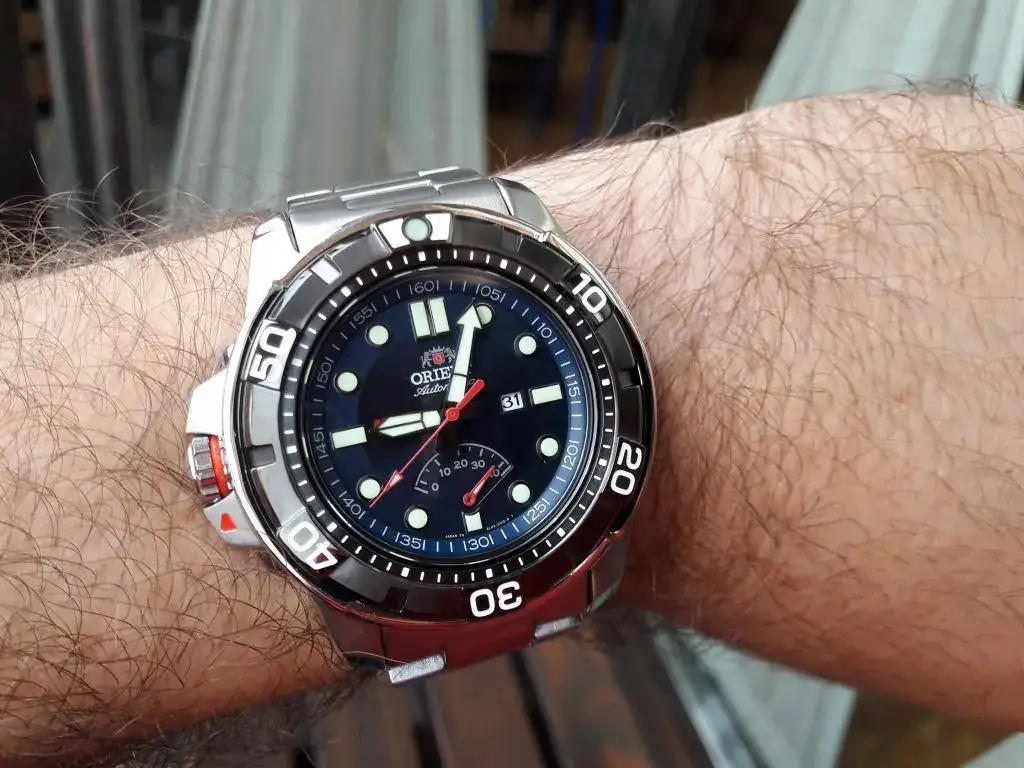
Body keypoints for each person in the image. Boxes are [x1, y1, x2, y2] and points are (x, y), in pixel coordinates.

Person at [3, 89, 1024, 764]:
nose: (453, 416)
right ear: (219, 467)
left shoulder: (520, 277)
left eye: (454, 409)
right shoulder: (268, 447)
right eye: (442, 412)